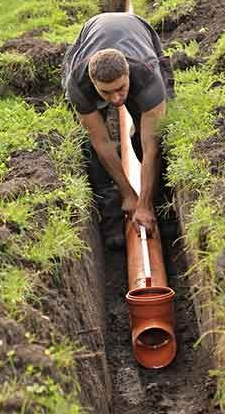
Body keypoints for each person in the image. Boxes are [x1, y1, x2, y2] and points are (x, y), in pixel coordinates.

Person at [62, 12, 174, 249]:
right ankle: (111, 211)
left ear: (127, 75)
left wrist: (143, 202)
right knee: (86, 145)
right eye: (106, 92)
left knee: (159, 136)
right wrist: (126, 194)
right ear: (93, 84)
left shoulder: (147, 75)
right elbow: (101, 142)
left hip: (137, 33)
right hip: (91, 35)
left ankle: (162, 203)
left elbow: (151, 146)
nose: (115, 98)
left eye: (121, 88)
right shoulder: (78, 83)